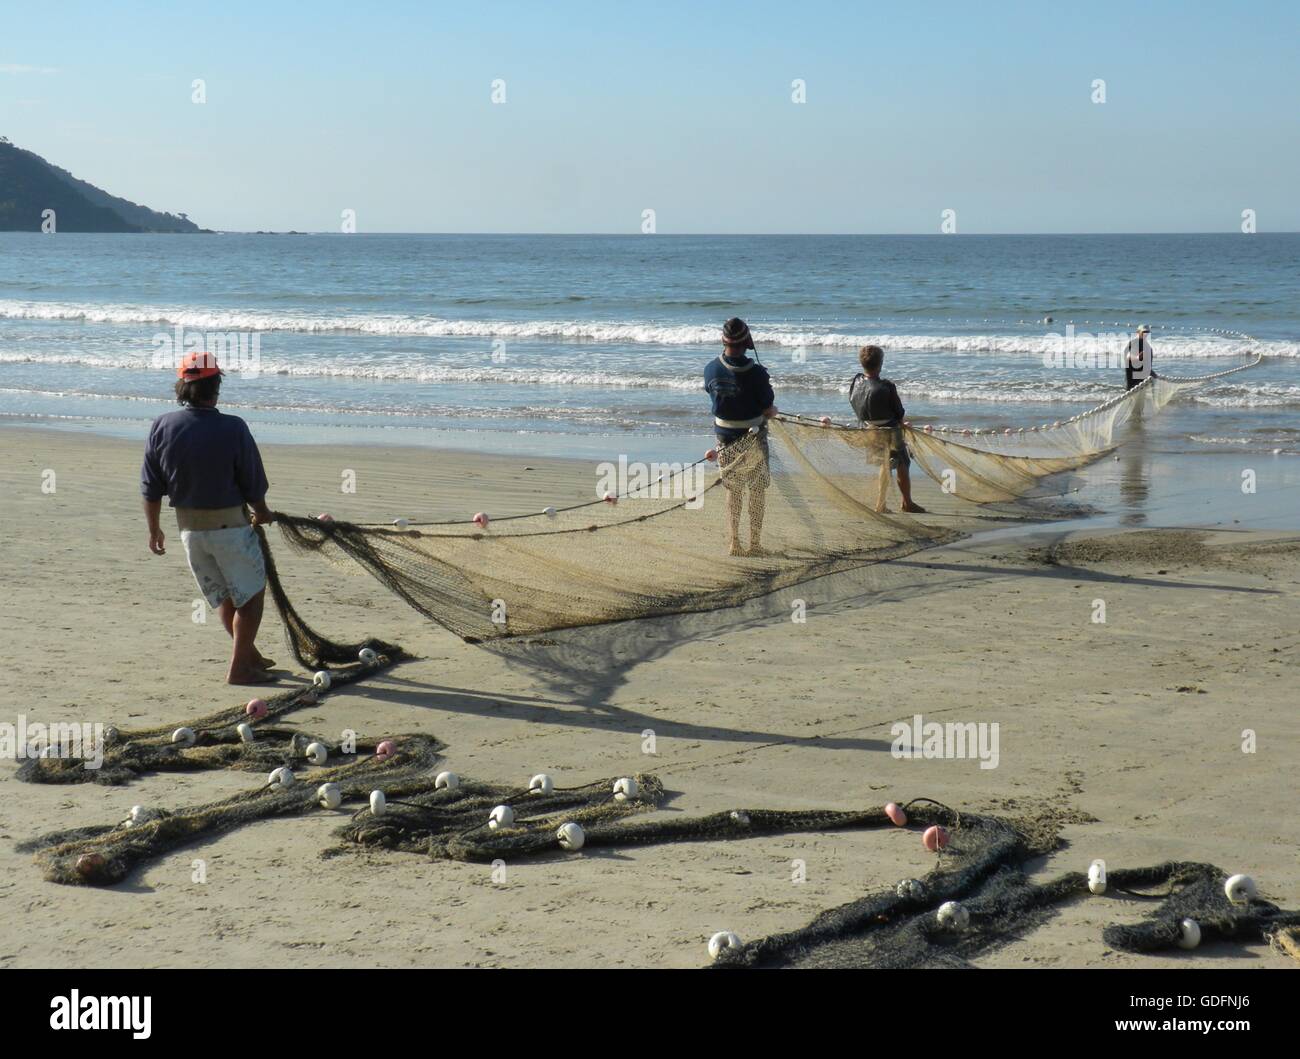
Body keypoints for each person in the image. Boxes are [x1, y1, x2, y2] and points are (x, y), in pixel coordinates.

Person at [141, 352, 277, 685]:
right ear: (215, 388)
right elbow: (252, 482)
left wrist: (154, 530)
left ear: (182, 389)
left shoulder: (161, 425)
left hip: (189, 531)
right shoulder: (233, 427)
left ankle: (249, 656)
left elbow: (151, 486)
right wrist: (261, 511)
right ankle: (239, 668)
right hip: (230, 527)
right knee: (251, 596)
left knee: (224, 596)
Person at [703, 317, 777, 556]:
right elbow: (767, 406)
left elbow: (715, 395)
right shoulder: (757, 373)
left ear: (723, 341)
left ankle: (735, 542)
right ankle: (755, 544)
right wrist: (771, 412)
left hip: (724, 440)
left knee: (733, 490)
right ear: (747, 342)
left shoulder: (710, 369)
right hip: (754, 439)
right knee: (756, 490)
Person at [848, 345, 925, 513]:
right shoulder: (887, 387)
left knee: (885, 464)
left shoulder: (856, 381)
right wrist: (902, 424)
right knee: (903, 462)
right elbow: (899, 412)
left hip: (869, 429)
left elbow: (854, 402)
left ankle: (882, 503)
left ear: (862, 363)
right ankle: (906, 503)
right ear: (881, 363)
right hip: (889, 430)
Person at [1124, 324, 1154, 390]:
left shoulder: (1146, 345)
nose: (1145, 334)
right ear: (1138, 332)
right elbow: (1128, 356)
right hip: (1133, 384)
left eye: (1147, 332)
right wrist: (1137, 358)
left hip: (1140, 382)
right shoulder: (1135, 342)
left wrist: (1154, 375)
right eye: (1143, 332)